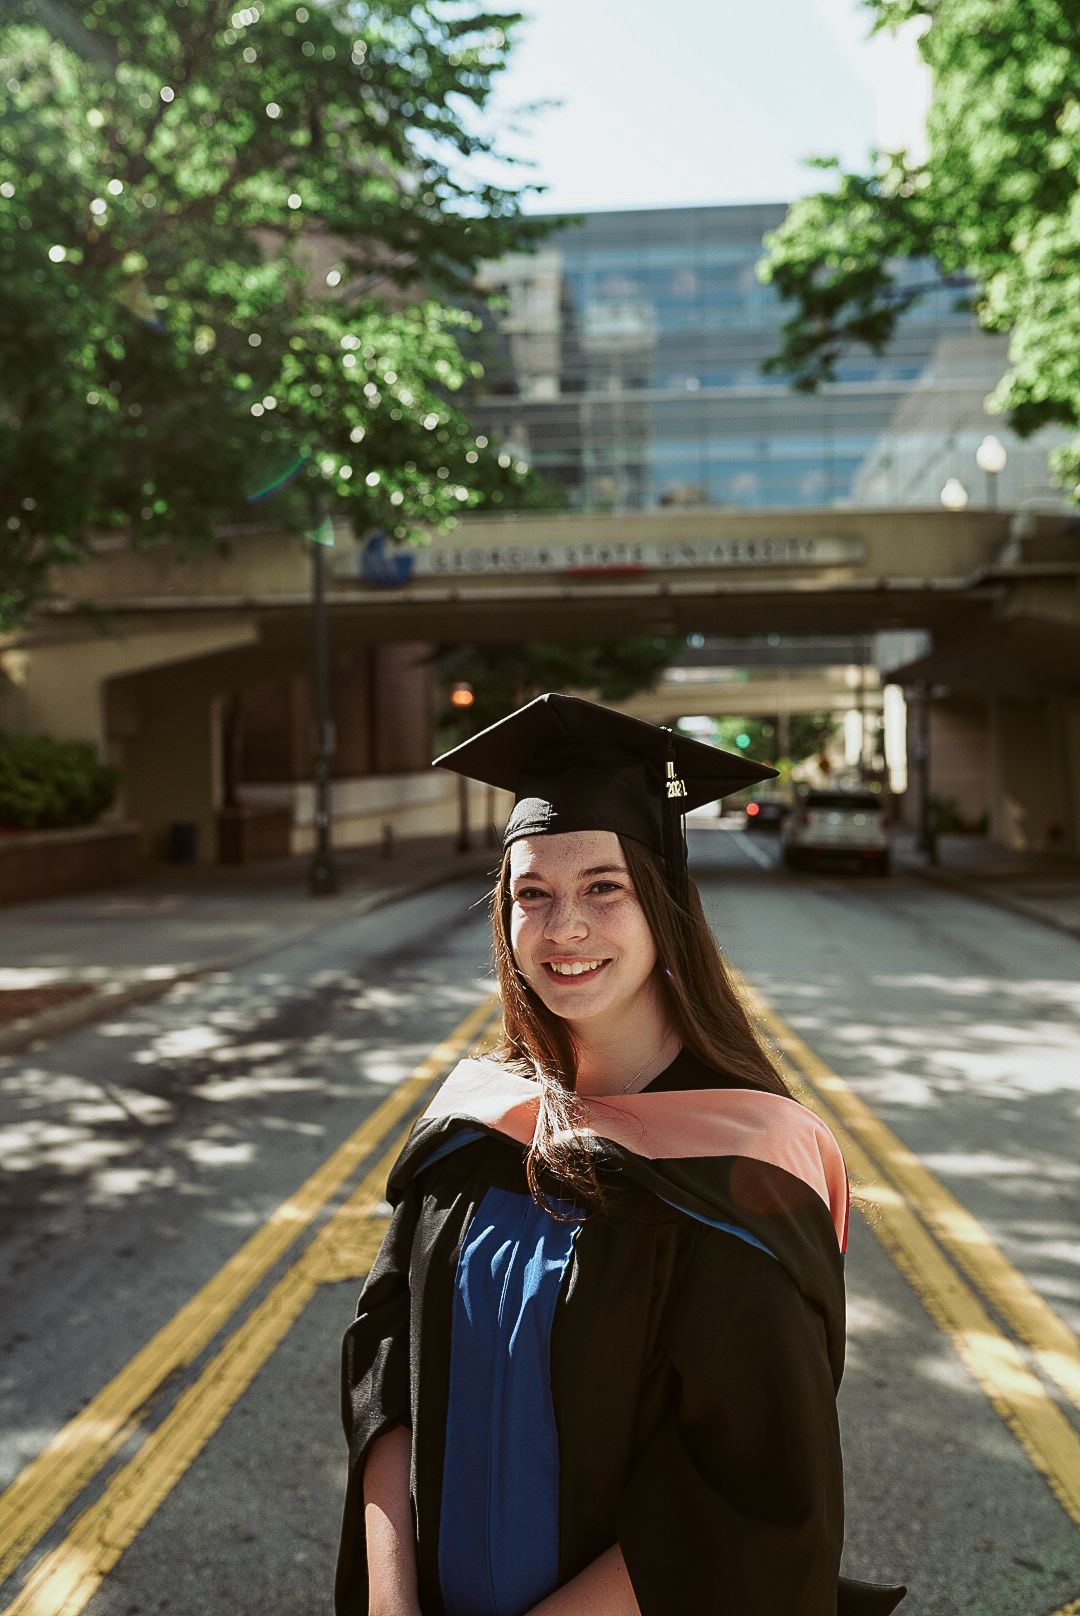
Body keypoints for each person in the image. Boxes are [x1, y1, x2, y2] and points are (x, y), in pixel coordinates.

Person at [335, 693, 907, 1616]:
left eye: (604, 887)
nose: (565, 929)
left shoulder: (744, 1167)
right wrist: (391, 1602)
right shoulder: (476, 1131)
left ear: (662, 904)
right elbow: (385, 1367)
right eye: (534, 894)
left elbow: (744, 1491)